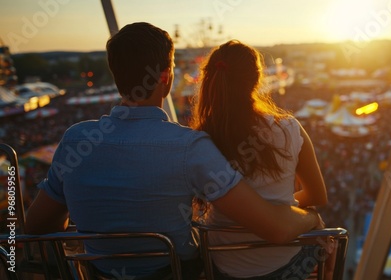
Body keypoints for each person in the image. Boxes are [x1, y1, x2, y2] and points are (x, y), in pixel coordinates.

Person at [24, 23, 323, 280]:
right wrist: (310, 218)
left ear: (117, 76)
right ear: (165, 77)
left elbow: (37, 225)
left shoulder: (75, 140)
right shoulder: (189, 147)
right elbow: (273, 228)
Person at [190, 40, 329, 279]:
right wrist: (283, 208)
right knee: (328, 242)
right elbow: (317, 196)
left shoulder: (199, 140)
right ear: (257, 80)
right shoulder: (289, 129)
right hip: (283, 263)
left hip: (223, 265)